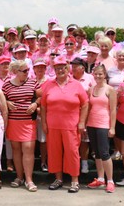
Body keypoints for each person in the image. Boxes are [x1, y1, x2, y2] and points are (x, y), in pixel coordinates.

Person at [41, 55, 88, 193]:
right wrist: (44, 122)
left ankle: (74, 180)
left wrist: (82, 122)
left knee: (72, 152)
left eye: (62, 67)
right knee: (54, 152)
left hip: (71, 125)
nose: (60, 70)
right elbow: (43, 106)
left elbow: (85, 104)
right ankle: (58, 179)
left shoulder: (76, 84)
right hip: (53, 125)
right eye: (57, 68)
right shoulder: (49, 84)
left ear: (68, 69)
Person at [2, 60, 40, 192]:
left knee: (28, 148)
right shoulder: (6, 85)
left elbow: (41, 96)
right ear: (15, 72)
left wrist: (35, 104)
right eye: (24, 71)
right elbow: (0, 99)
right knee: (16, 150)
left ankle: (29, 179)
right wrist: (6, 102)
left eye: (27, 70)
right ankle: (19, 177)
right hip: (13, 122)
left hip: (28, 121)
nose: (27, 73)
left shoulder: (32, 82)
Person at [86, 65, 117, 193]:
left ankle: (110, 180)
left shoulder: (110, 90)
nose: (98, 76)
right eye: (96, 74)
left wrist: (112, 127)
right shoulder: (91, 89)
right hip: (91, 124)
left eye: (100, 74)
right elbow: (88, 107)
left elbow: (113, 109)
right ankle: (100, 178)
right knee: (97, 153)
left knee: (104, 153)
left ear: (105, 75)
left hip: (104, 124)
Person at [71, 57, 96, 174]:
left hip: (87, 112)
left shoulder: (90, 78)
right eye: (72, 66)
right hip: (71, 113)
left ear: (82, 67)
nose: (73, 68)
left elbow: (96, 93)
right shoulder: (69, 79)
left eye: (75, 66)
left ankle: (84, 163)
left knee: (85, 139)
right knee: (73, 140)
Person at [107, 48, 124, 160]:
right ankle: (117, 149)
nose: (121, 58)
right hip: (113, 101)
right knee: (114, 125)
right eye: (119, 55)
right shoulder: (110, 71)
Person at [0, 55, 14, 172]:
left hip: (10, 112)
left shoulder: (13, 78)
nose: (5, 66)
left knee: (9, 137)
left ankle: (9, 161)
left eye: (7, 64)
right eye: (3, 64)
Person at [33, 59, 49, 172]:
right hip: (32, 114)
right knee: (31, 140)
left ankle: (43, 162)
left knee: (43, 140)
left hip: (45, 115)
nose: (40, 69)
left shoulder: (50, 81)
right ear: (34, 69)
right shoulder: (30, 81)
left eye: (42, 67)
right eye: (38, 67)